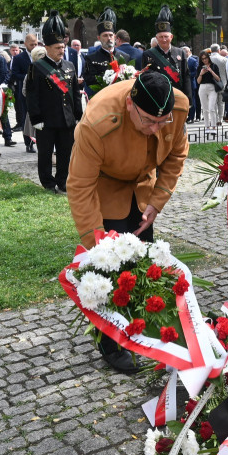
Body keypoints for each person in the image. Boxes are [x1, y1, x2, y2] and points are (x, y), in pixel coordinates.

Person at [67, 69, 189, 373]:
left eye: (162, 123)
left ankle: (141, 330)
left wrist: (156, 202)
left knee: (144, 269)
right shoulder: (96, 123)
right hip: (105, 190)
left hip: (142, 190)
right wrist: (95, 242)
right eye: (148, 121)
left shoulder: (178, 107)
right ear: (131, 105)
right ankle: (109, 341)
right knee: (110, 270)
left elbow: (175, 155)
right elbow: (80, 186)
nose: (154, 130)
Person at [26, 11, 82, 194]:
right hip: (47, 120)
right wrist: (36, 118)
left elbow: (75, 93)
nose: (61, 51)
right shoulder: (37, 67)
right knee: (45, 153)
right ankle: (48, 183)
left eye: (63, 47)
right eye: (58, 48)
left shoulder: (69, 66)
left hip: (66, 119)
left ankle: (63, 181)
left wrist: (78, 116)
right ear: (48, 48)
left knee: (65, 153)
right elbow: (32, 95)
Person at [143, 5, 192, 101]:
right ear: (156, 38)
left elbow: (186, 76)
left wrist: (188, 98)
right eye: (160, 37)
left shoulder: (180, 52)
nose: (164, 40)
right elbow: (145, 79)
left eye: (166, 36)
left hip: (177, 96)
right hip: (157, 99)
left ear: (171, 37)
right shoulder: (148, 54)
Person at [84, 8, 121, 98]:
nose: (108, 38)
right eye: (105, 35)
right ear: (99, 38)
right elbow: (89, 80)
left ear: (115, 37)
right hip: (101, 99)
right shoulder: (91, 58)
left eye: (111, 35)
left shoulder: (124, 56)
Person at [11, 33, 36, 152]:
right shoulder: (18, 58)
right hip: (25, 92)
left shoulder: (42, 56)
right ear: (25, 44)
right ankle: (28, 143)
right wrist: (27, 76)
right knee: (26, 118)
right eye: (32, 44)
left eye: (36, 44)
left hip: (40, 93)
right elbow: (15, 74)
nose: (34, 46)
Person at [197, 50, 222, 128]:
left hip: (212, 88)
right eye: (203, 59)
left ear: (208, 58)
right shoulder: (199, 67)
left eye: (206, 58)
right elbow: (198, 82)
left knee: (211, 108)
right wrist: (201, 74)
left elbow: (218, 79)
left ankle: (214, 126)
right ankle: (207, 126)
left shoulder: (214, 66)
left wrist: (211, 71)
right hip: (202, 88)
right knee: (205, 109)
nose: (205, 60)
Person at [65, 39, 87, 104]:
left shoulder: (83, 55)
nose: (76, 47)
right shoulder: (69, 56)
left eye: (78, 45)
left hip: (81, 82)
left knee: (78, 101)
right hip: (72, 81)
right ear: (71, 46)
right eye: (74, 45)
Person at [186, 47, 199, 122]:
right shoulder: (182, 60)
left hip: (191, 82)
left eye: (185, 52)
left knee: (192, 100)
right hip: (184, 83)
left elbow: (195, 72)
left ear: (188, 52)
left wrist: (188, 75)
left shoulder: (193, 60)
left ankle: (191, 117)